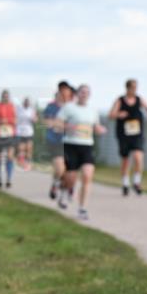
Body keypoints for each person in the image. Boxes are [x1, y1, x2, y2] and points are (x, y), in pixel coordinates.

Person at [54, 84, 106, 220]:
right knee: (71, 178)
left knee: (88, 175)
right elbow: (57, 124)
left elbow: (95, 126)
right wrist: (68, 126)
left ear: (89, 95)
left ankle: (82, 208)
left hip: (87, 146)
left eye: (87, 92)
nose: (84, 94)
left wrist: (99, 129)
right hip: (71, 145)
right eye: (82, 92)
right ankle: (65, 191)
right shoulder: (69, 108)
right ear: (77, 94)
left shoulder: (93, 110)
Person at [107, 78, 147, 196]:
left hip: (137, 133)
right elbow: (111, 115)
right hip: (124, 134)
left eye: (136, 87)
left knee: (138, 157)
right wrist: (119, 114)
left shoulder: (139, 99)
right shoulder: (120, 100)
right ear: (127, 88)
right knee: (125, 160)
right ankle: (125, 183)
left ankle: (137, 182)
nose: (134, 90)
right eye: (132, 87)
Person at [0, 90, 17, 188]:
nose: (5, 98)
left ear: (8, 97)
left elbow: (16, 119)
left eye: (7, 96)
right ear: (1, 97)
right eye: (4, 96)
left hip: (10, 133)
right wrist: (0, 120)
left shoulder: (12, 106)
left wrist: (9, 121)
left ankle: (9, 179)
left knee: (10, 156)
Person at [43, 88, 68, 200]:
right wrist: (60, 125)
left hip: (70, 141)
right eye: (59, 95)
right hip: (55, 141)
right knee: (59, 167)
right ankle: (56, 183)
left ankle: (58, 184)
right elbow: (47, 123)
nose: (61, 97)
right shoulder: (50, 106)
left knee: (66, 168)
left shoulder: (70, 107)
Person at [15, 96, 37, 170]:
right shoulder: (19, 109)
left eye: (28, 102)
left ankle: (28, 163)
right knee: (21, 149)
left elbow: (35, 119)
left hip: (29, 132)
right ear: (23, 102)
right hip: (20, 131)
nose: (27, 103)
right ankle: (21, 163)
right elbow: (14, 117)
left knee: (29, 148)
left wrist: (34, 119)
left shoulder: (31, 110)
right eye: (26, 102)